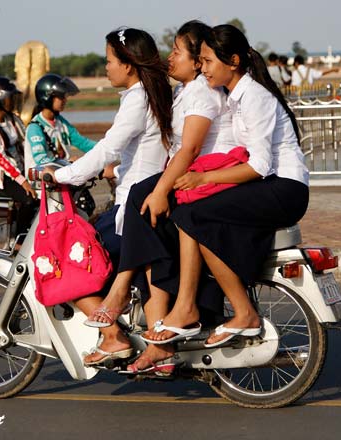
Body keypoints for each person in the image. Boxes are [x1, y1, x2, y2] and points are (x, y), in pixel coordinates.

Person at [134, 24, 310, 364]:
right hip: (271, 185)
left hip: (284, 189)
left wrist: (204, 179)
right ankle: (189, 306)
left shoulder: (254, 97)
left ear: (233, 61)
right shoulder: (235, 96)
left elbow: (259, 165)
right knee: (190, 210)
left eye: (209, 61)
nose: (204, 68)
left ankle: (238, 311)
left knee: (194, 214)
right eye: (200, 61)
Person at [84, 20, 238, 372]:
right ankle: (152, 333)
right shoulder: (181, 93)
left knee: (138, 204)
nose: (170, 59)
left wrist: (160, 190)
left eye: (177, 52)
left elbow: (189, 149)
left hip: (202, 182)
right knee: (143, 202)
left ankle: (125, 309)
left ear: (198, 60)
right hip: (196, 179)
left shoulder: (198, 93)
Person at [42, 27, 173, 366]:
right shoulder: (151, 94)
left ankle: (112, 335)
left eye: (110, 61)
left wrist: (63, 175)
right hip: (140, 195)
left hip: (133, 208)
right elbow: (140, 154)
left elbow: (109, 147)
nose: (106, 67)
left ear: (128, 64)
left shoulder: (137, 98)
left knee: (71, 259)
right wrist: (111, 172)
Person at [0, 77, 37, 218]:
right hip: (3, 177)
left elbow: (26, 140)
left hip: (20, 169)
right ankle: (20, 239)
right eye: (10, 98)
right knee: (30, 199)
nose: (13, 101)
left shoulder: (12, 120)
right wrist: (23, 182)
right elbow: (1, 159)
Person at [25, 73, 96, 172]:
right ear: (48, 97)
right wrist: (68, 162)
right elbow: (41, 159)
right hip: (41, 183)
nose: (65, 100)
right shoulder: (35, 128)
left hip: (61, 177)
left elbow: (83, 143)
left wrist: (108, 149)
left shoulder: (60, 122)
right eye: (61, 96)